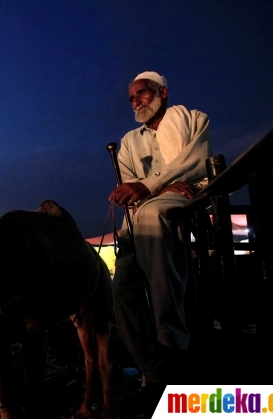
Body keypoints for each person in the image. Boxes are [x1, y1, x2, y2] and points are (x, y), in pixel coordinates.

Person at [109, 71, 211, 417]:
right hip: (144, 209)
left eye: (142, 93)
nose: (136, 100)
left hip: (183, 201)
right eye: (132, 98)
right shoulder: (128, 142)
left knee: (153, 218)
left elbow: (192, 165)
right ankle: (152, 374)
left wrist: (151, 186)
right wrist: (156, 187)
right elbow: (128, 187)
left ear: (162, 92)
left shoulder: (193, 119)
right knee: (122, 286)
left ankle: (172, 345)